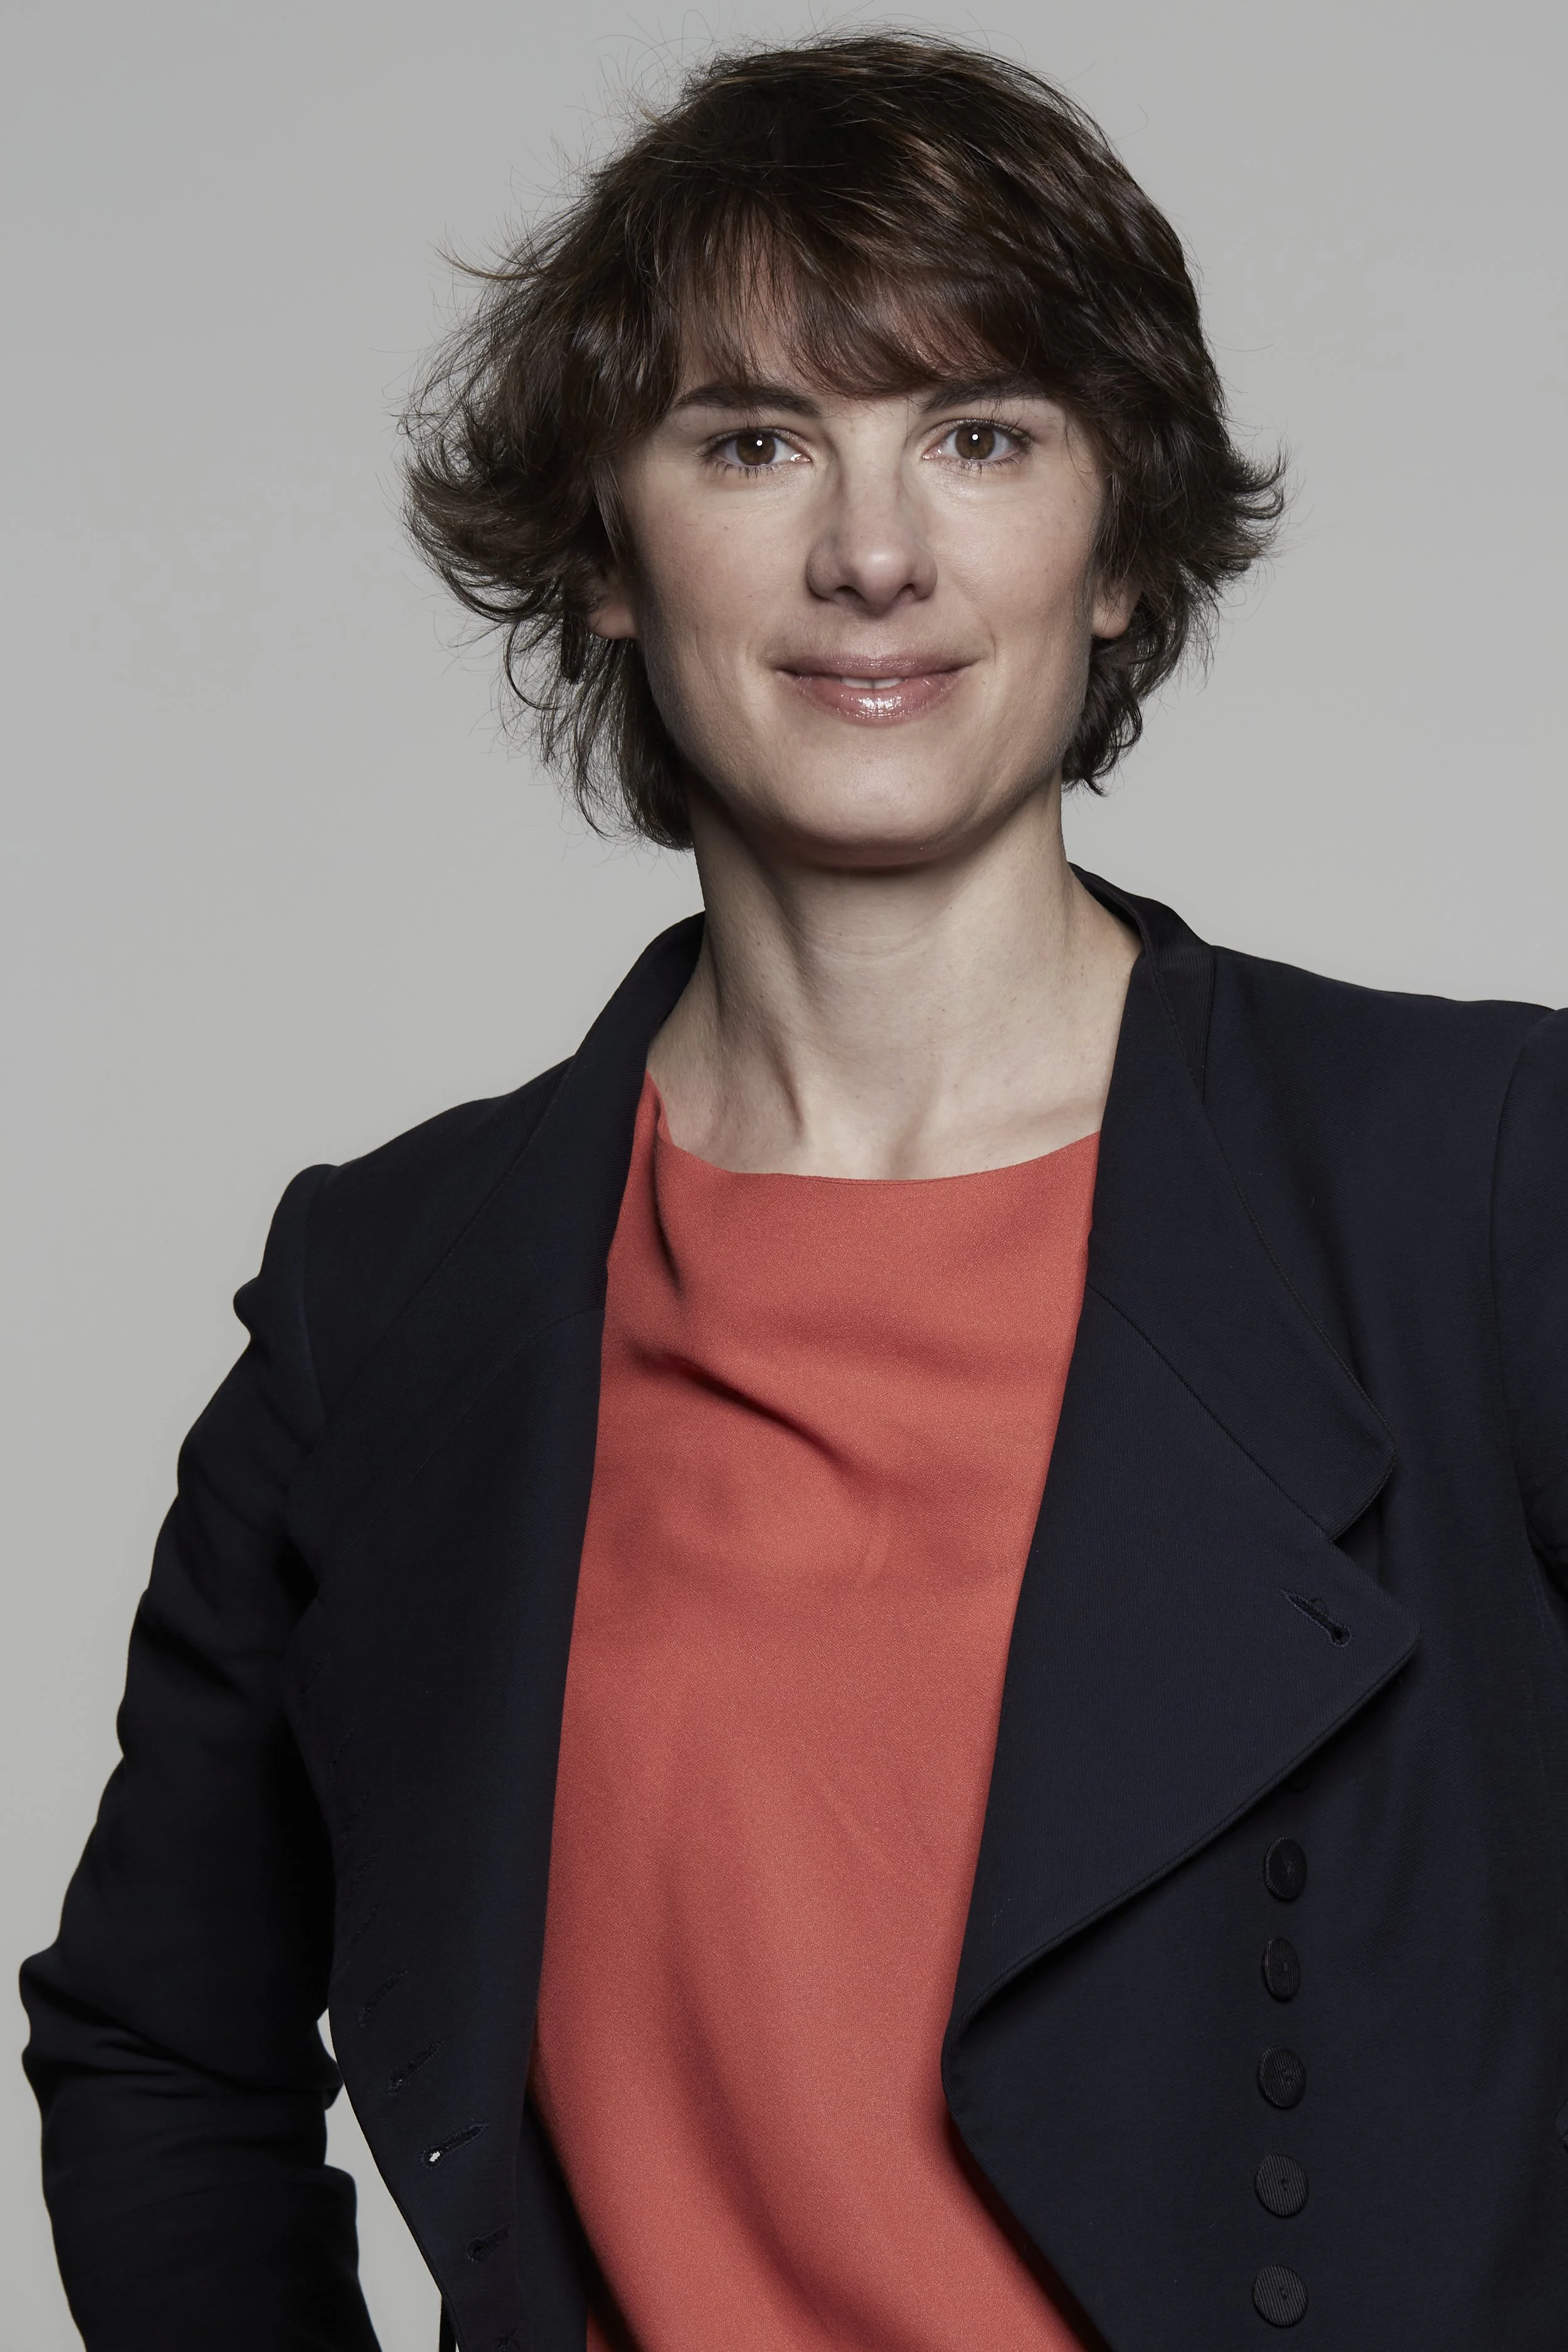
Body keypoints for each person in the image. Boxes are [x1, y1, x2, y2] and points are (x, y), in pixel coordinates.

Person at [20, 29, 1568, 2352]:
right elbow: (162, 2035)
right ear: (610, 558)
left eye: (979, 435)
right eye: (754, 442)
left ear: (1121, 544)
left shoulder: (1475, 1185)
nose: (871, 552)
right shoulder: (398, 1289)